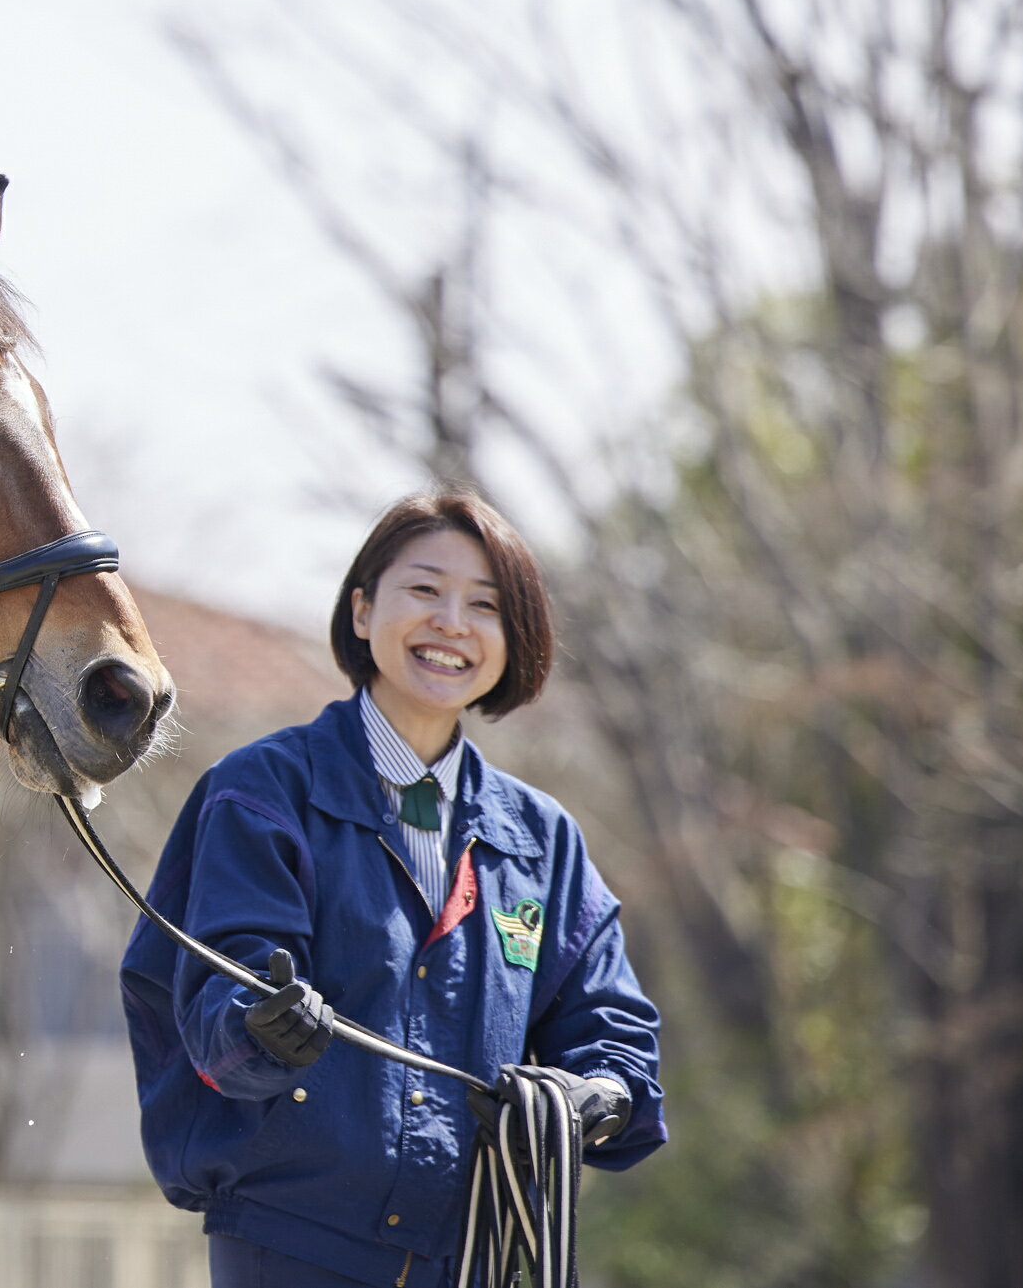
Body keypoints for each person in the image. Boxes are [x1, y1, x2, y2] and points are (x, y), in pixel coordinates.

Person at [118, 491, 665, 1286]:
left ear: (515, 642)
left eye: (485, 605)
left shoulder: (543, 841)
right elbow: (216, 1018)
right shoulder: (263, 792)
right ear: (364, 608)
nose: (451, 622)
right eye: (424, 590)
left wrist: (596, 1095)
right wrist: (264, 1026)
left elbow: (613, 1032)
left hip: (480, 1255)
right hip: (292, 1246)